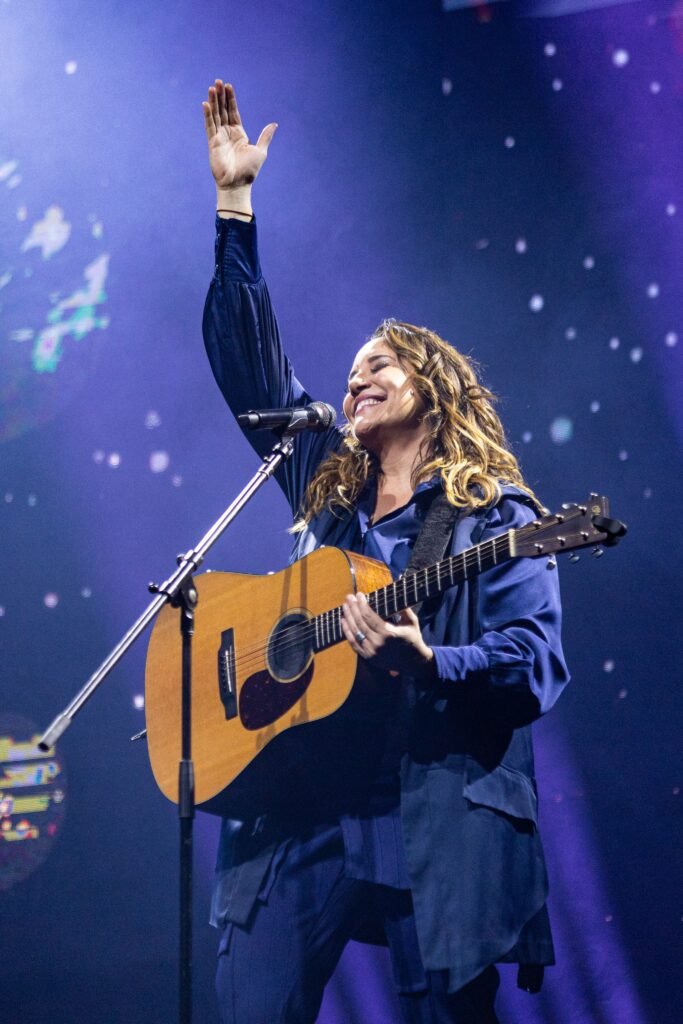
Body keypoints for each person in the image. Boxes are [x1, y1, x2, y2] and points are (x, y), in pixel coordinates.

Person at [201, 79, 569, 1024]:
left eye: (383, 362)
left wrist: (431, 658)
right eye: (354, 362)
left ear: (434, 392)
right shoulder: (324, 483)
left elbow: (536, 661)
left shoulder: (499, 517)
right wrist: (235, 208)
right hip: (302, 809)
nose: (357, 371)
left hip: (427, 816)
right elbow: (251, 372)